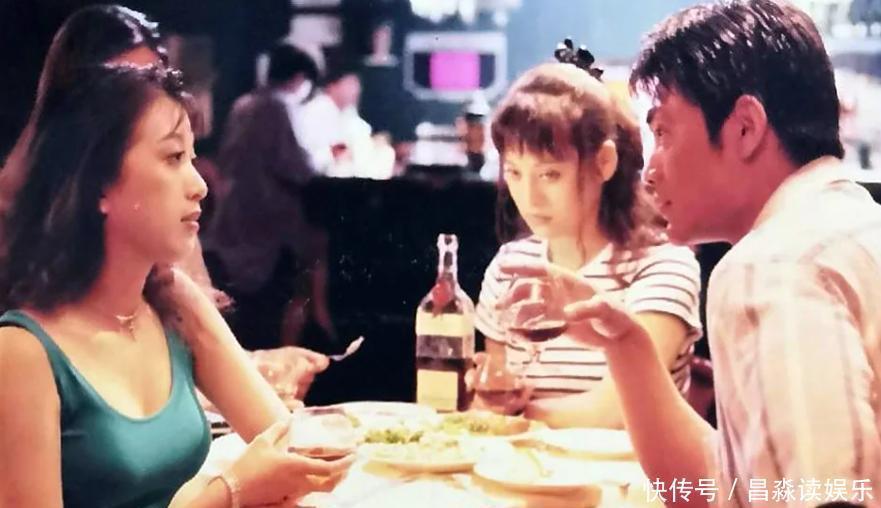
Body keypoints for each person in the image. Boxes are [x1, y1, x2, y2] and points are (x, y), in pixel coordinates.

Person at [504, 1, 881, 505]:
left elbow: (828, 499)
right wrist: (626, 344)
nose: (650, 171)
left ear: (744, 127)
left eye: (663, 133)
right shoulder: (850, 225)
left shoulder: (774, 265)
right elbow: (723, 485)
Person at [0, 63, 352, 507]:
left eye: (191, 157)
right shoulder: (23, 352)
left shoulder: (172, 302)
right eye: (172, 158)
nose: (200, 185)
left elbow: (287, 447)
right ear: (98, 185)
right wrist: (228, 492)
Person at [0, 4, 330, 398]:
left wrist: (262, 367)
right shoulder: (15, 219)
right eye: (126, 88)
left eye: (157, 83)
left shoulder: (173, 262)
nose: (147, 104)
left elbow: (201, 356)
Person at [472, 49, 702, 429]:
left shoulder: (664, 265)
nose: (529, 197)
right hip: (524, 463)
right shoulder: (509, 267)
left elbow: (618, 412)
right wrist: (488, 398)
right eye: (514, 173)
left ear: (604, 163)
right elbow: (494, 396)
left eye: (550, 175)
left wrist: (515, 415)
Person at [208, 42, 335, 351]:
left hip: (237, 211)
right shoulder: (275, 108)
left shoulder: (244, 104)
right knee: (300, 272)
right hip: (266, 216)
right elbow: (296, 167)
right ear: (299, 77)